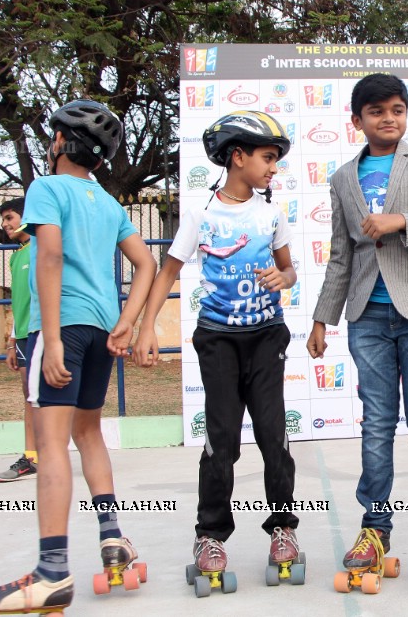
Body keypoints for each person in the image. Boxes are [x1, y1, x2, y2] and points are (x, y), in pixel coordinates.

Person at [0, 99, 157, 615]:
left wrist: (49, 339)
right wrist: (128, 320)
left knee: (50, 446)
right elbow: (147, 263)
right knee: (88, 432)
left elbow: (48, 255)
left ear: (60, 143)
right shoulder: (109, 203)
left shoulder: (46, 188)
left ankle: (51, 572)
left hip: (65, 328)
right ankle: (112, 536)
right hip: (99, 328)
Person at [306, 73, 408, 584]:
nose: (389, 118)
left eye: (397, 109)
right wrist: (322, 317)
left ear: (406, 114)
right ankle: (375, 528)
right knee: (377, 422)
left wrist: (402, 221)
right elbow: (340, 255)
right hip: (367, 316)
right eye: (377, 111)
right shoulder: (341, 179)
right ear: (356, 120)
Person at [134, 110, 303, 584]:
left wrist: (281, 277)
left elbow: (289, 271)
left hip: (267, 336)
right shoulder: (201, 215)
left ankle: (284, 529)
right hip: (218, 341)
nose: (274, 168)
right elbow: (167, 272)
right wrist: (148, 329)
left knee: (274, 438)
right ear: (237, 156)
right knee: (221, 442)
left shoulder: (272, 213)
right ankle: (210, 535)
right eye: (268, 158)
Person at [0, 199, 39, 481]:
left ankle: (78, 449)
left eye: (9, 217)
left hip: (42, 334)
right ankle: (31, 457)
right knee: (29, 397)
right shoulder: (16, 254)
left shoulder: (42, 247)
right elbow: (18, 301)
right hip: (22, 336)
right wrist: (11, 340)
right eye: (3, 220)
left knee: (49, 397)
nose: (6, 224)